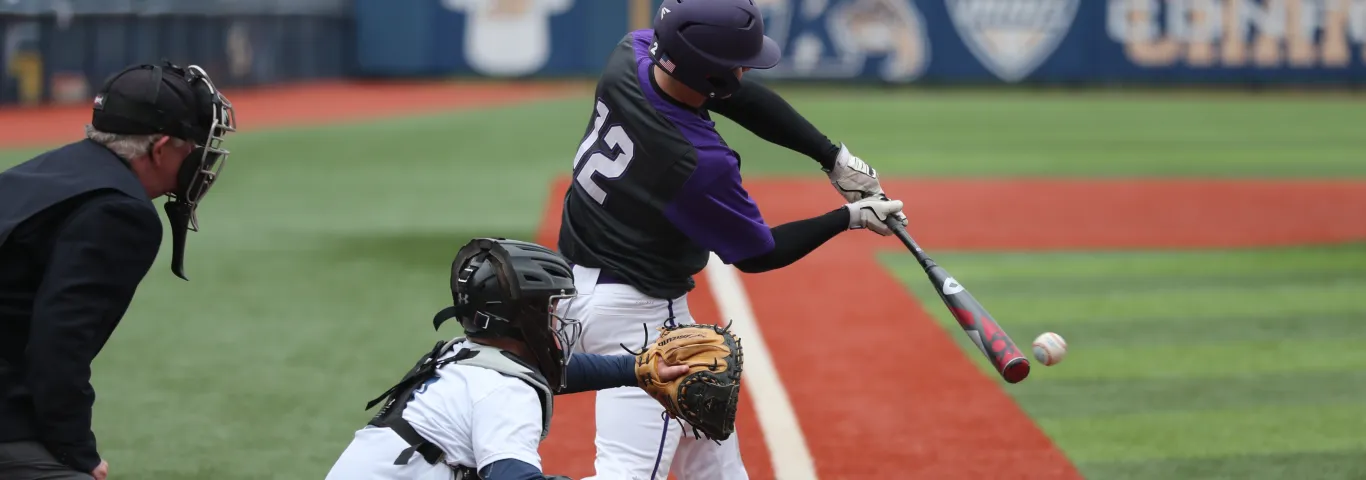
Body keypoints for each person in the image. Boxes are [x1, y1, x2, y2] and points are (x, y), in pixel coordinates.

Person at [555, 0, 908, 478]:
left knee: (713, 460)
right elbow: (759, 254)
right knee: (628, 471)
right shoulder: (698, 163)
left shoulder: (630, 55)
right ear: (712, 76)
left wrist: (830, 155)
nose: (746, 69)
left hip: (570, 288)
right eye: (738, 63)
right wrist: (850, 217)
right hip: (640, 319)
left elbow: (730, 92)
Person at [0, 60, 236, 480]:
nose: (203, 157)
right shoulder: (120, 211)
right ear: (160, 148)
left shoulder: (55, 169)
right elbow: (59, 345)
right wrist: (77, 452)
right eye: (195, 146)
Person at [326, 238, 703, 480]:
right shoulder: (504, 393)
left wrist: (638, 368)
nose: (557, 318)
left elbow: (556, 372)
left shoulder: (463, 354)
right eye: (549, 307)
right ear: (521, 319)